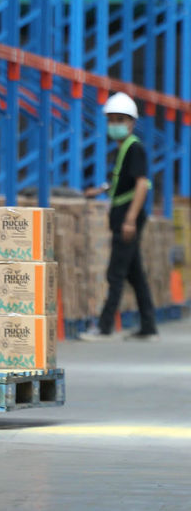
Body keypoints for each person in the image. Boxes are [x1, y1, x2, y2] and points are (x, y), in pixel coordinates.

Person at [81, 92, 158, 340]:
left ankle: (104, 327)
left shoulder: (134, 148)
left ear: (132, 122)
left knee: (115, 273)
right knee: (135, 274)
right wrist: (101, 190)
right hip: (124, 217)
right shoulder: (124, 148)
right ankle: (148, 327)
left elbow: (142, 184)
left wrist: (129, 220)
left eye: (120, 119)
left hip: (127, 218)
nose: (114, 124)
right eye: (112, 119)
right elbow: (122, 180)